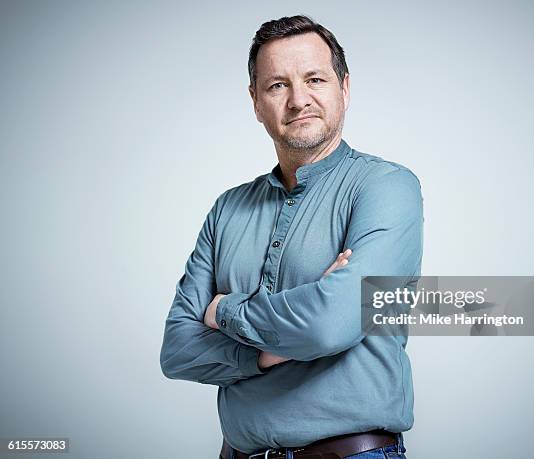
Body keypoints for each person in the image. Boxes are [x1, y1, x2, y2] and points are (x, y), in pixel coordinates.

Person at [160, 14, 423, 459]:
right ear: (255, 101)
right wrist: (268, 352)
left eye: (315, 79)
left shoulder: (386, 187)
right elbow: (178, 350)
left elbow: (329, 324)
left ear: (344, 87)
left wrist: (223, 309)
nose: (298, 99)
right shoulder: (228, 208)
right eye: (277, 85)